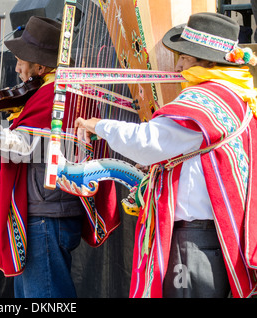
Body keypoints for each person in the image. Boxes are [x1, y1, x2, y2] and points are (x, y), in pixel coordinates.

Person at [75, 12, 257, 298]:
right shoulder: (236, 98)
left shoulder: (202, 101)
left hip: (193, 241)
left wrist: (97, 124)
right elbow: (193, 156)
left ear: (203, 61)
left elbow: (148, 142)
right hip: (216, 236)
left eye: (184, 56)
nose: (179, 64)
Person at [0, 16, 118, 298]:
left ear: (40, 66)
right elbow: (40, 148)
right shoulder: (59, 91)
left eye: (21, 60)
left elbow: (24, 146)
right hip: (49, 212)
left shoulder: (52, 94)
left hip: (46, 216)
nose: (17, 68)